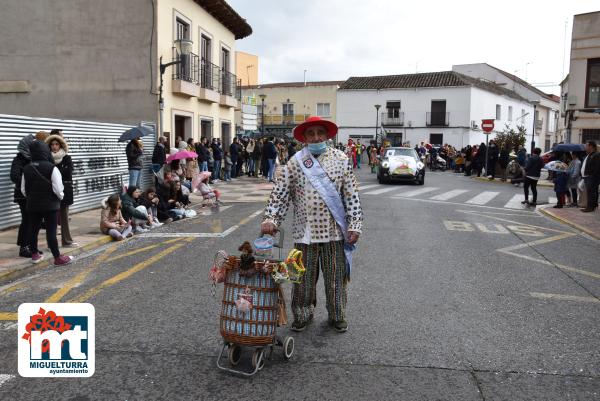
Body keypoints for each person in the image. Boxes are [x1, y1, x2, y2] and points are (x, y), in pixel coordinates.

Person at [261, 116, 363, 333]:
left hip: (334, 232)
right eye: (311, 133)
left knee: (336, 279)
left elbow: (351, 195)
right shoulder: (295, 162)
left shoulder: (341, 159)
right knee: (302, 280)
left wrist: (354, 224)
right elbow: (280, 195)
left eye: (320, 133)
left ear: (326, 135)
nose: (316, 137)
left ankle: (337, 314)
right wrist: (271, 219)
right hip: (304, 233)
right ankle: (303, 314)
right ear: (304, 138)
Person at [21, 140, 73, 266]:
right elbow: (58, 189)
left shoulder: (27, 168)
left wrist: (32, 197)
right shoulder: (52, 168)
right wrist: (60, 198)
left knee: (33, 229)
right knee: (51, 231)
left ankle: (35, 255)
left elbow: (23, 189)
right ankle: (57, 257)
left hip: (33, 205)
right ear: (45, 151)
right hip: (51, 205)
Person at [46, 134, 77, 247]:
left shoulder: (66, 157)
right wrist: (60, 170)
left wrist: (55, 170)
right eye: (52, 144)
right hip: (51, 190)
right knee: (51, 219)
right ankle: (51, 244)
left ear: (61, 145)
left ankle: (67, 241)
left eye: (56, 144)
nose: (54, 146)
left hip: (65, 191)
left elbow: (69, 171)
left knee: (64, 217)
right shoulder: (47, 158)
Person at [11, 134, 35, 257]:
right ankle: (23, 247)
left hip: (33, 195)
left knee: (32, 220)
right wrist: (28, 183)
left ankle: (31, 246)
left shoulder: (32, 159)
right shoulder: (19, 159)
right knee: (26, 220)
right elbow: (14, 176)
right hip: (22, 196)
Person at [580, 140, 600, 212]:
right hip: (587, 177)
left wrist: (591, 174)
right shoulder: (589, 155)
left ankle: (590, 207)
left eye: (586, 146)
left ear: (591, 146)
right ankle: (591, 206)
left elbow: (597, 167)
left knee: (591, 192)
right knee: (590, 192)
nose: (585, 147)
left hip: (592, 177)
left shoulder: (596, 155)